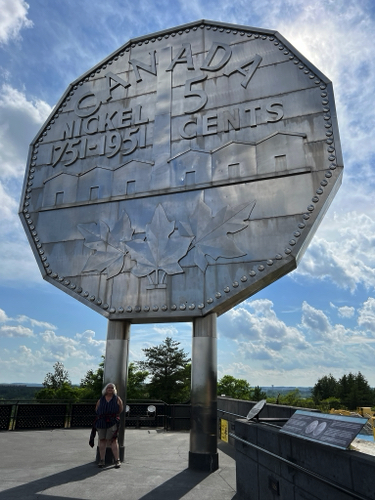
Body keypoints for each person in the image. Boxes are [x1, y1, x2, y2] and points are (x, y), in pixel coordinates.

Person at [95, 382, 123, 468]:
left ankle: (117, 459)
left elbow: (120, 409)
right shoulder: (101, 399)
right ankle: (102, 459)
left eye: (111, 388)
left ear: (114, 389)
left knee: (113, 440)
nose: (110, 389)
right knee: (102, 440)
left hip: (112, 422)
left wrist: (113, 417)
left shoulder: (117, 399)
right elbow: (97, 409)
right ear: (106, 389)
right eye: (108, 388)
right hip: (102, 422)